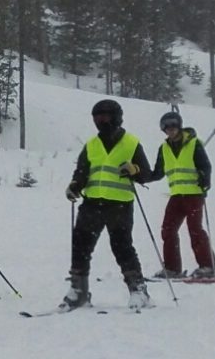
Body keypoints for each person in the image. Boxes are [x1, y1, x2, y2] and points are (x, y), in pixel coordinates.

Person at [61, 99, 155, 310]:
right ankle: (79, 291)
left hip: (119, 204)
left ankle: (139, 291)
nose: (101, 121)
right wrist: (75, 185)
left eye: (105, 116)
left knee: (122, 247)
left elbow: (147, 174)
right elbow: (82, 172)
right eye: (97, 117)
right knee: (80, 246)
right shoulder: (91, 145)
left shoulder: (131, 143)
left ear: (116, 117)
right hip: (92, 203)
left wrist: (135, 170)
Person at [146, 111, 215, 279]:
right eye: (166, 127)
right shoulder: (164, 148)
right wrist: (137, 175)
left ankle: (207, 267)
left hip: (194, 195)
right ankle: (172, 268)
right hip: (177, 196)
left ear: (179, 125)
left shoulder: (193, 143)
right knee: (168, 230)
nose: (170, 130)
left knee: (195, 230)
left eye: (173, 126)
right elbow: (157, 173)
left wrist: (205, 181)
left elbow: (205, 166)